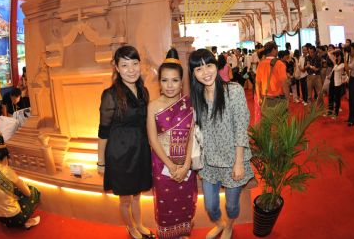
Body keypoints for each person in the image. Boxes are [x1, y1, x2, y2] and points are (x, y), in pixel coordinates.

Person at [188, 49, 254, 239]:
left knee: (232, 205)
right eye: (198, 69)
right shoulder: (196, 99)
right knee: (210, 205)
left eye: (209, 65)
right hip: (209, 162)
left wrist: (239, 162)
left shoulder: (233, 90)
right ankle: (220, 223)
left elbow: (241, 127)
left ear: (216, 66)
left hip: (233, 159)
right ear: (193, 73)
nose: (205, 72)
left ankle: (229, 226)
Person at [97, 45, 154, 239]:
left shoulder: (144, 91)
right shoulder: (110, 95)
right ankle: (130, 227)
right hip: (120, 153)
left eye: (135, 64)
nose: (131, 69)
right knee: (125, 199)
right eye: (125, 65)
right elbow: (103, 132)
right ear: (117, 68)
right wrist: (101, 162)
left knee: (138, 194)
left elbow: (147, 123)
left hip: (140, 150)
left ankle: (139, 223)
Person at [147, 48, 197, 239]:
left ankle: (183, 233)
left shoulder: (189, 105)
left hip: (185, 166)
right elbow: (152, 139)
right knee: (166, 203)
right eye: (165, 80)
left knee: (185, 202)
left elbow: (192, 135)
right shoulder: (153, 106)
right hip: (162, 166)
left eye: (174, 80)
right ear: (159, 82)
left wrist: (185, 166)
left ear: (181, 82)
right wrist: (171, 166)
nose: (170, 85)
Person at [0, 134, 40, 228]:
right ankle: (25, 222)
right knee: (33, 191)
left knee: (13, 191)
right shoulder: (7, 171)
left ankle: (11, 223)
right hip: (15, 217)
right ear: (6, 157)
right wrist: (19, 180)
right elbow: (27, 192)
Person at [255, 42, 288, 108]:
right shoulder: (280, 64)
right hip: (278, 99)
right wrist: (288, 99)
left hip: (265, 98)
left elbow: (257, 83)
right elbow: (284, 83)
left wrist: (259, 98)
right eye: (277, 49)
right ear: (273, 50)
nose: (277, 51)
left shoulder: (260, 64)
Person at [326, 50, 345, 119]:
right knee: (330, 96)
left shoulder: (342, 64)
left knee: (337, 99)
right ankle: (330, 111)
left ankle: (336, 113)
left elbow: (336, 69)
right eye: (337, 56)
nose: (337, 57)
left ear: (341, 56)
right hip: (332, 81)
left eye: (339, 55)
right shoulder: (336, 62)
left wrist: (334, 62)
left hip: (338, 83)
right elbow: (329, 53)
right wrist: (337, 50)